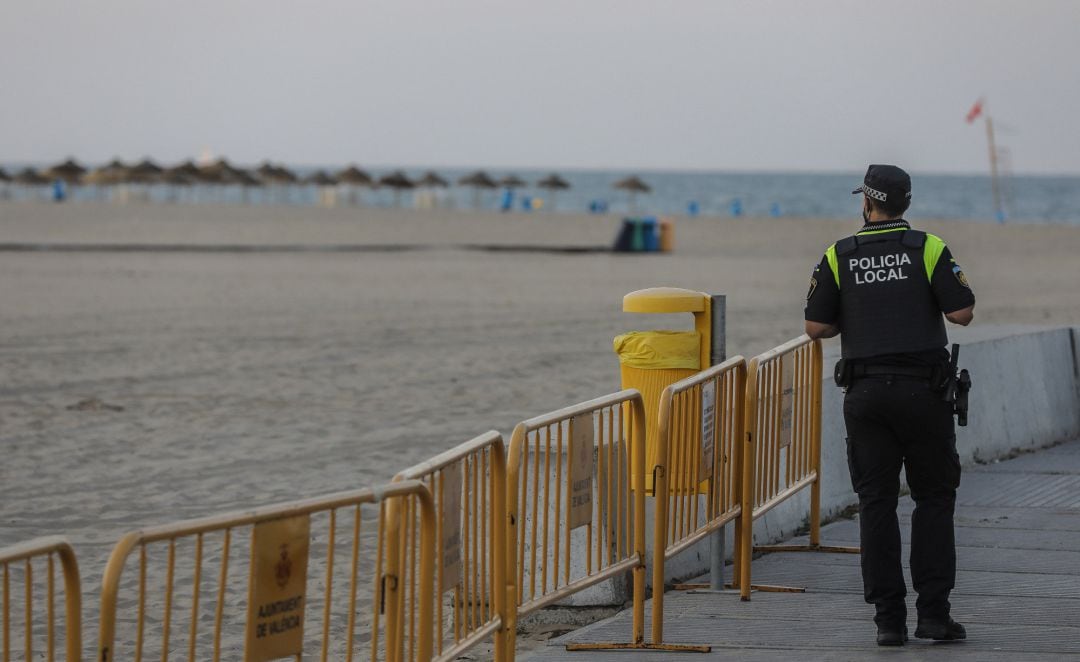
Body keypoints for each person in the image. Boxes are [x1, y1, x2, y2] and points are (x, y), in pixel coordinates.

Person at [804, 165, 975, 646]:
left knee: (875, 503)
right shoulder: (929, 247)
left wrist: (853, 316)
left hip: (866, 395)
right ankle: (935, 616)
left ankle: (888, 621)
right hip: (925, 393)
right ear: (905, 204)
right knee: (934, 500)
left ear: (867, 203)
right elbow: (961, 313)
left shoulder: (840, 254)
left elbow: (815, 327)